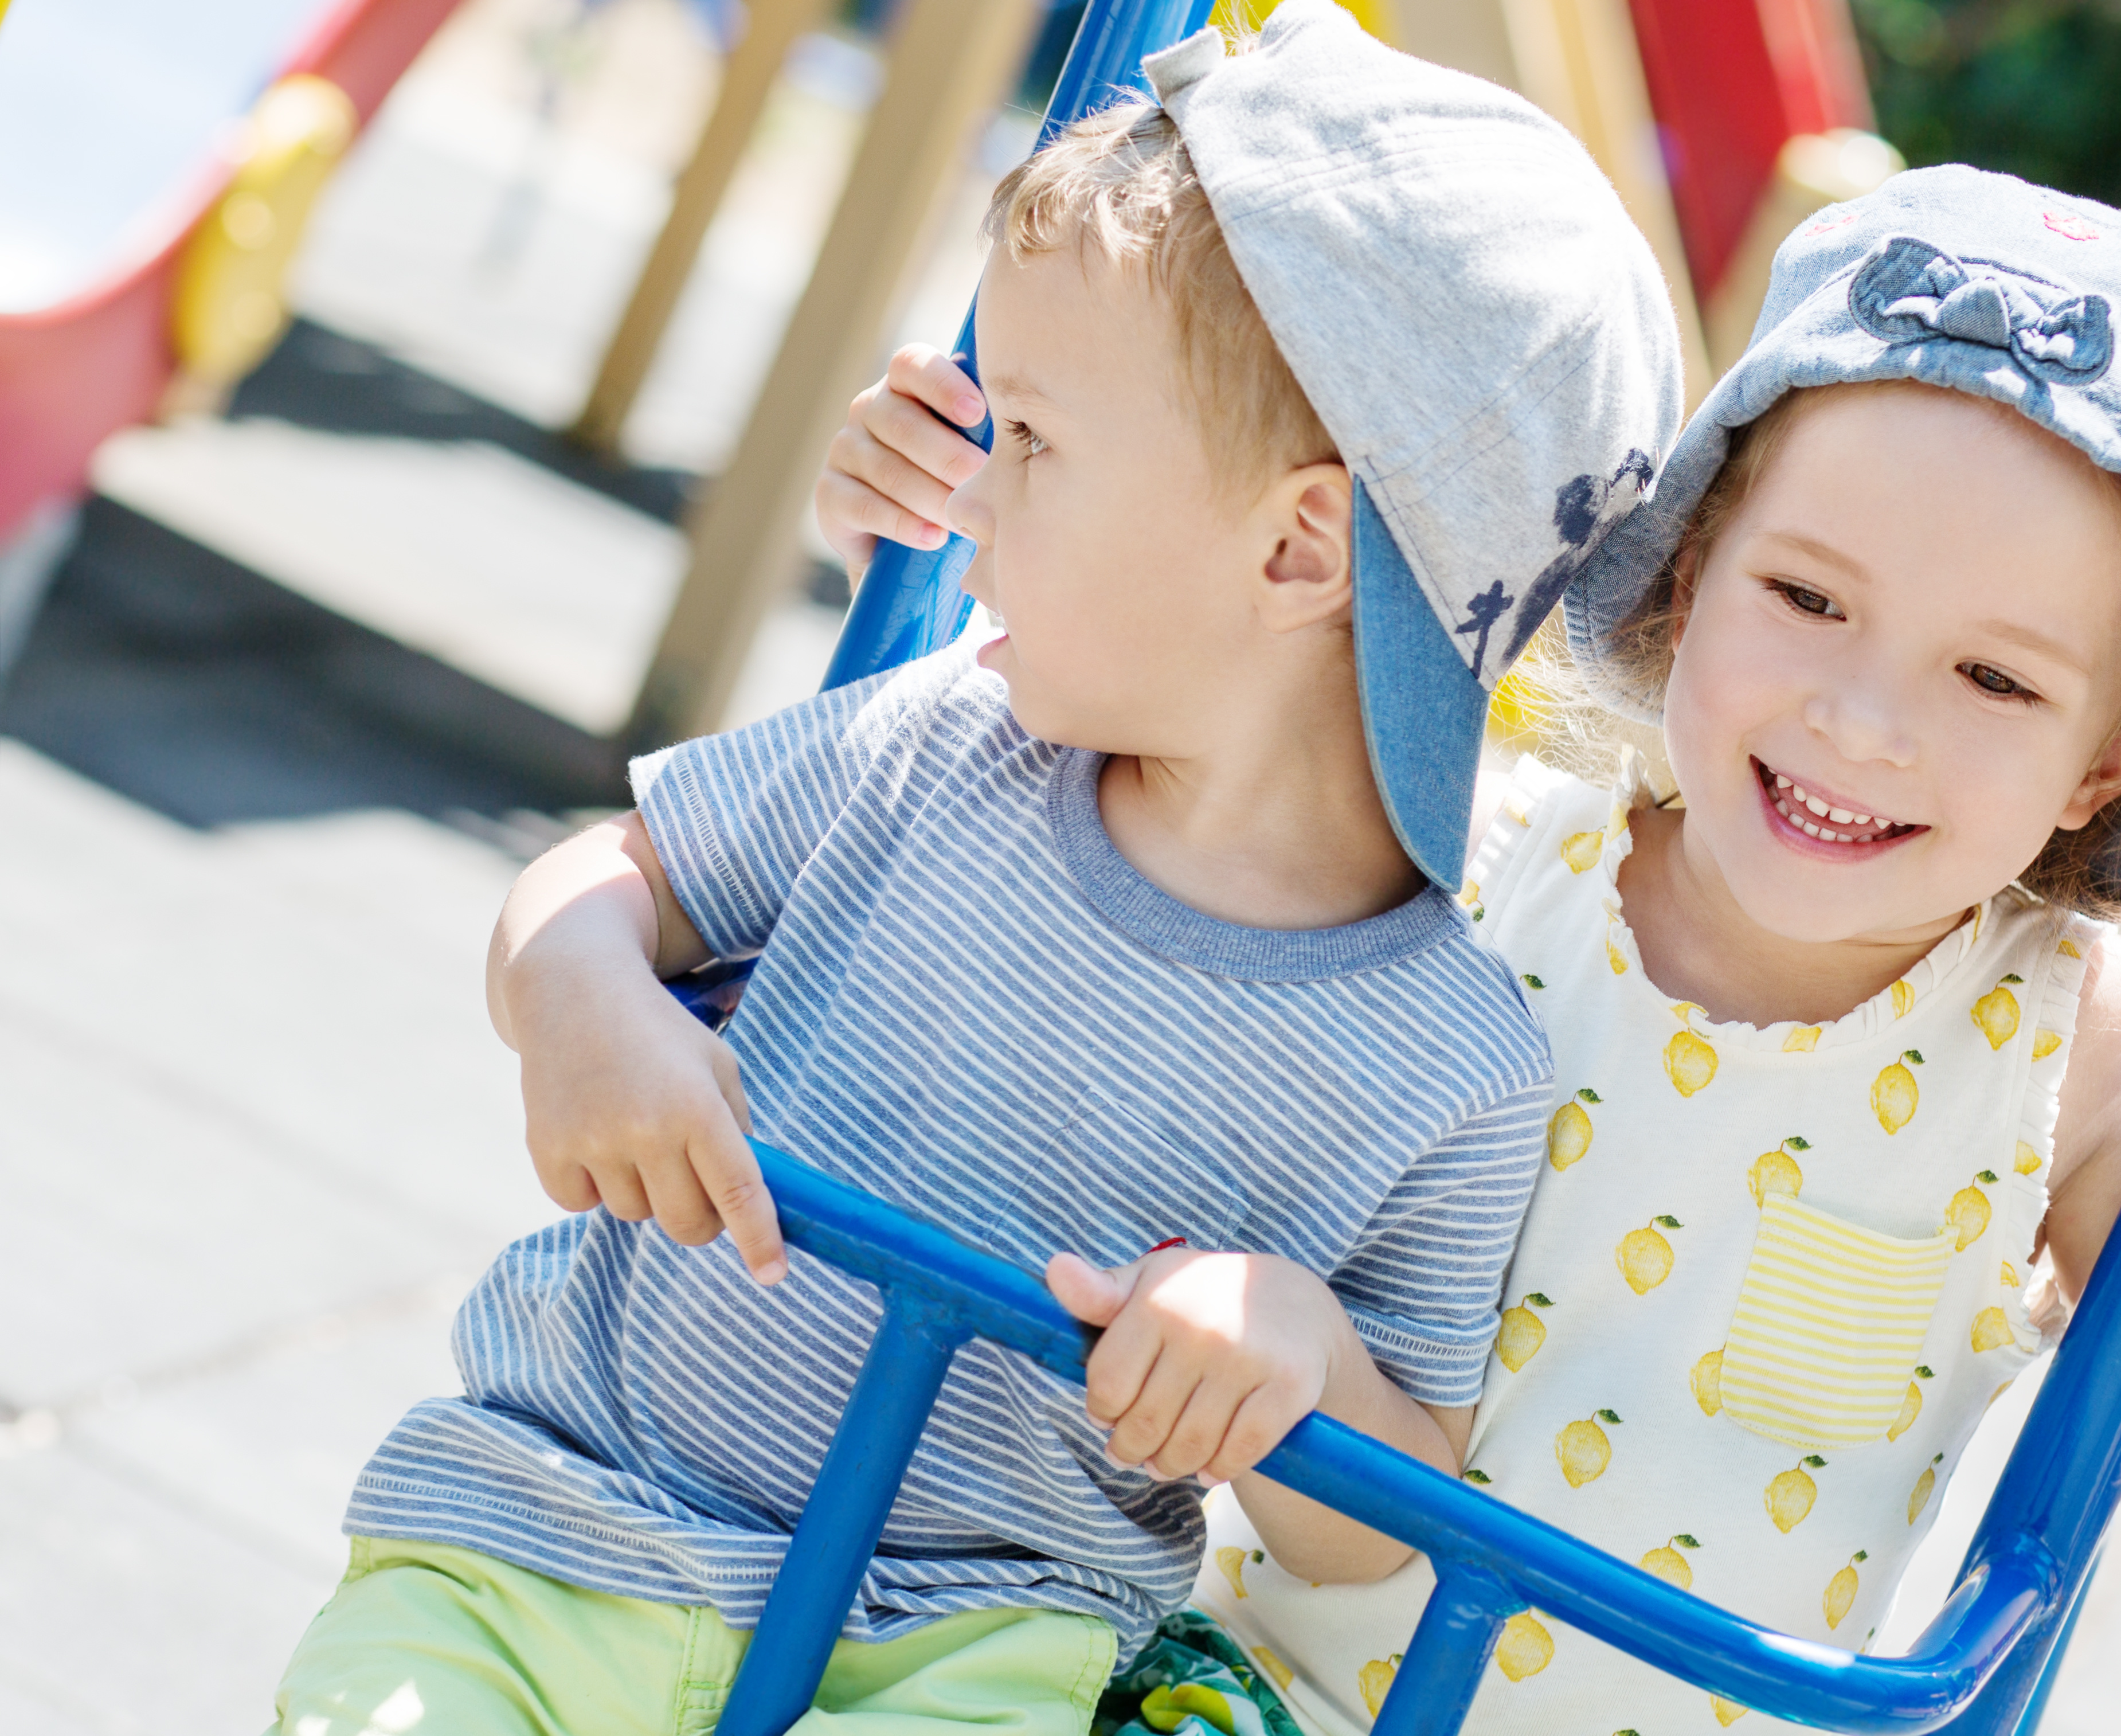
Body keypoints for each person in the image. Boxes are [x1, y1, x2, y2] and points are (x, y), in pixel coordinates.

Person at [839, 167, 2121, 1736]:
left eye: (1995, 681)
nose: (1861, 720)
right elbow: (1099, 830)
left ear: (2107, 765)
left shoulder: (2077, 1048)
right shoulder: (1475, 855)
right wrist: (963, 518)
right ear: (1688, 574)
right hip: (1276, 1693)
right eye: (1807, 596)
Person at [261, 7, 1685, 1733]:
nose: (966, 496)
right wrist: (575, 982)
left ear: (1300, 544)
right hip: (556, 1541)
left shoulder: (1454, 1066)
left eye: (1031, 441)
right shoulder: (938, 739)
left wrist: (1296, 1354)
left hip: (962, 1656)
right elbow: (614, 875)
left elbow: (1379, 1529)